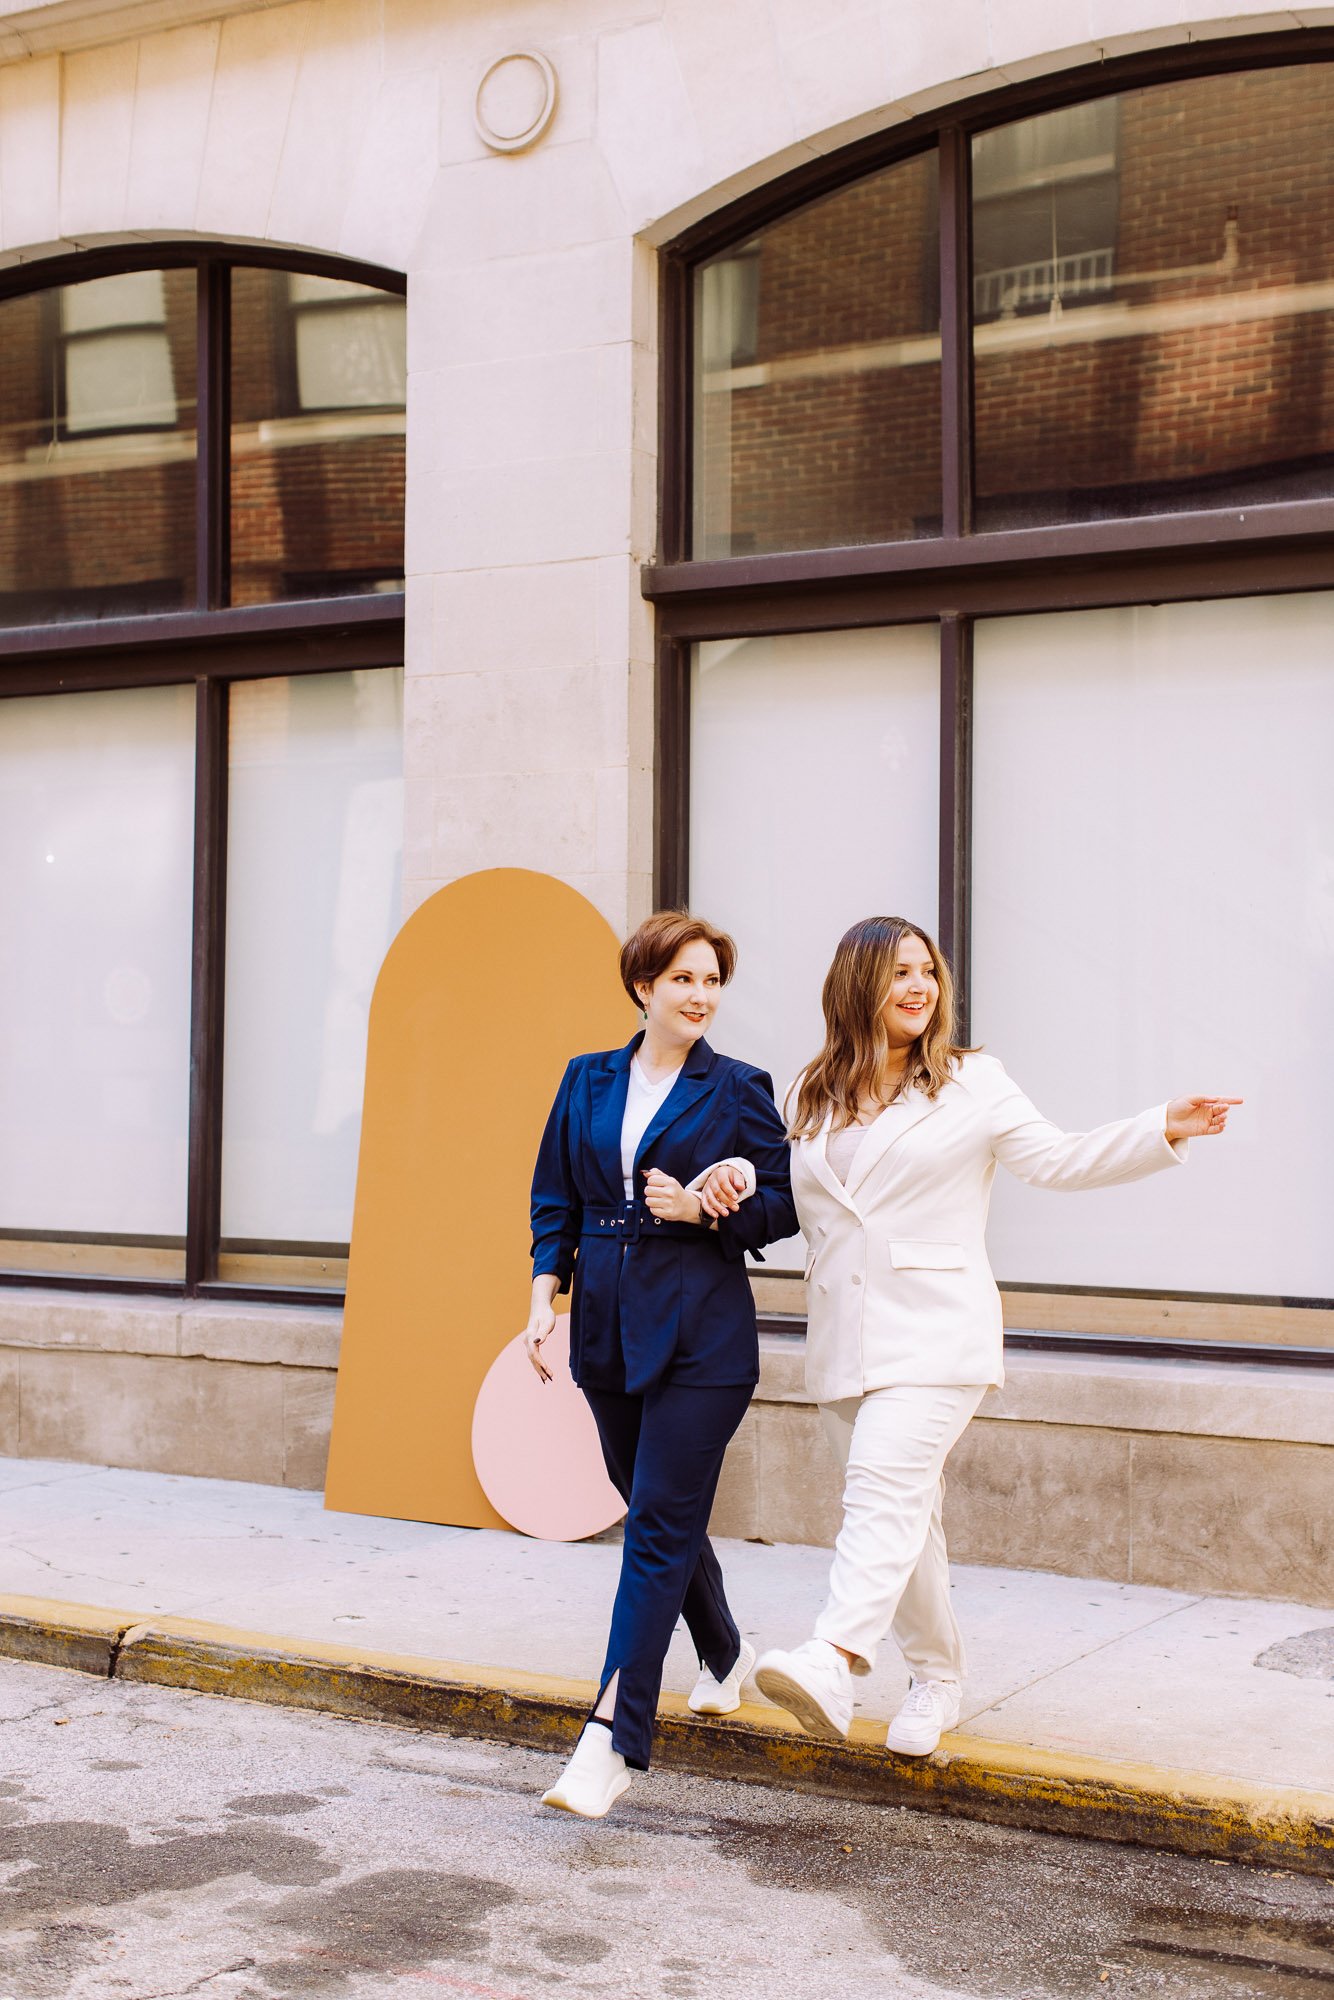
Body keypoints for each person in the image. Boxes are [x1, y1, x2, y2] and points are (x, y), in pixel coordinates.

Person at [700, 915, 1239, 1758]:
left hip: (939, 1332)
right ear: (856, 985)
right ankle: (938, 1677)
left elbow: (1057, 1159)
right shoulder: (812, 1090)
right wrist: (724, 1181)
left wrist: (1159, 1126)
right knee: (907, 1524)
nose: (920, 986)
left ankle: (835, 1657)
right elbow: (795, 1204)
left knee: (879, 1493)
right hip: (844, 1338)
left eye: (929, 971)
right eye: (900, 972)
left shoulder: (970, 1081)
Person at [522, 909, 797, 1817]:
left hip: (703, 1337)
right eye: (684, 978)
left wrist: (710, 1208)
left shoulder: (740, 1087)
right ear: (644, 985)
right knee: (655, 1512)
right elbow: (554, 1196)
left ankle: (611, 1736)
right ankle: (726, 1657)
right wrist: (541, 1299)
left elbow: (784, 1207)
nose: (701, 996)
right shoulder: (586, 1079)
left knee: (651, 1533)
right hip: (604, 1324)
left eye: (713, 980)